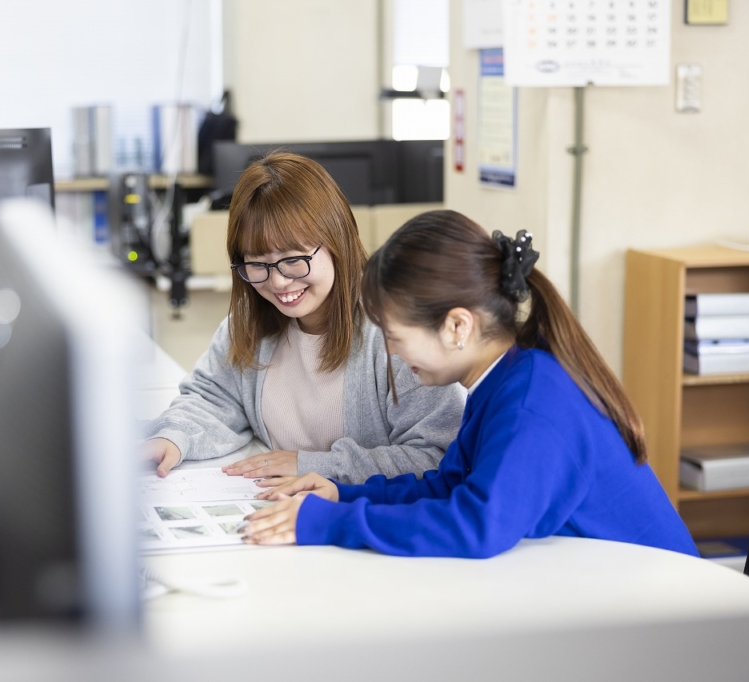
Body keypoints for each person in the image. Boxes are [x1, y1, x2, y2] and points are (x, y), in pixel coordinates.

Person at [243, 209, 698, 558]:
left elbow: (476, 525)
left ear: (457, 326)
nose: (391, 353)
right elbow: (451, 486)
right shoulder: (507, 377)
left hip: (663, 623)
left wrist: (330, 523)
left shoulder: (532, 400)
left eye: (397, 338)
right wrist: (343, 493)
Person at [143, 154, 463, 485]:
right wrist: (173, 437)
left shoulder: (395, 332)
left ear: (337, 240)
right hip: (276, 513)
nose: (279, 282)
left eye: (293, 260)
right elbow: (213, 399)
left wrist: (314, 465)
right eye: (258, 264)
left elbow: (438, 456)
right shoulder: (249, 319)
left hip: (352, 522)